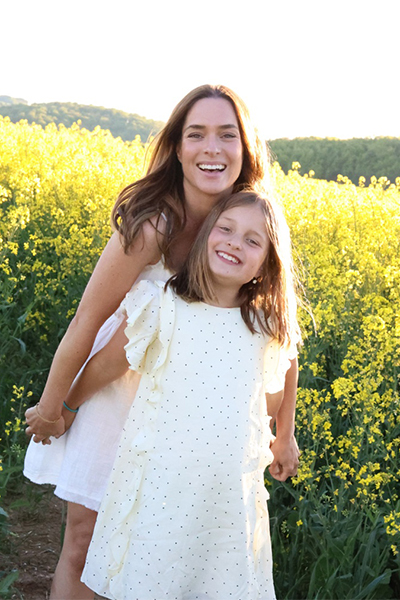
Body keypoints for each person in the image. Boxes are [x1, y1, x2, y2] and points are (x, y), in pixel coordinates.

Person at [24, 84, 300, 600]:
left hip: (189, 410)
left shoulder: (250, 220)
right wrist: (56, 406)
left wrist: (281, 432)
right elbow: (88, 319)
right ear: (176, 147)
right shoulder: (154, 222)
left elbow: (279, 338)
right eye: (196, 134)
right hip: (115, 386)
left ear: (245, 148)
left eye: (227, 135)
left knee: (165, 552)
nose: (212, 148)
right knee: (87, 540)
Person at [66, 190, 299, 600]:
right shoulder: (163, 306)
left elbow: (282, 374)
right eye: (226, 229)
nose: (234, 243)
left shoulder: (266, 325)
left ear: (267, 262)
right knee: (153, 580)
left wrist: (284, 435)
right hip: (161, 490)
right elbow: (107, 364)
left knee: (218, 583)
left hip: (228, 498)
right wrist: (66, 406)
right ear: (206, 234)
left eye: (252, 240)